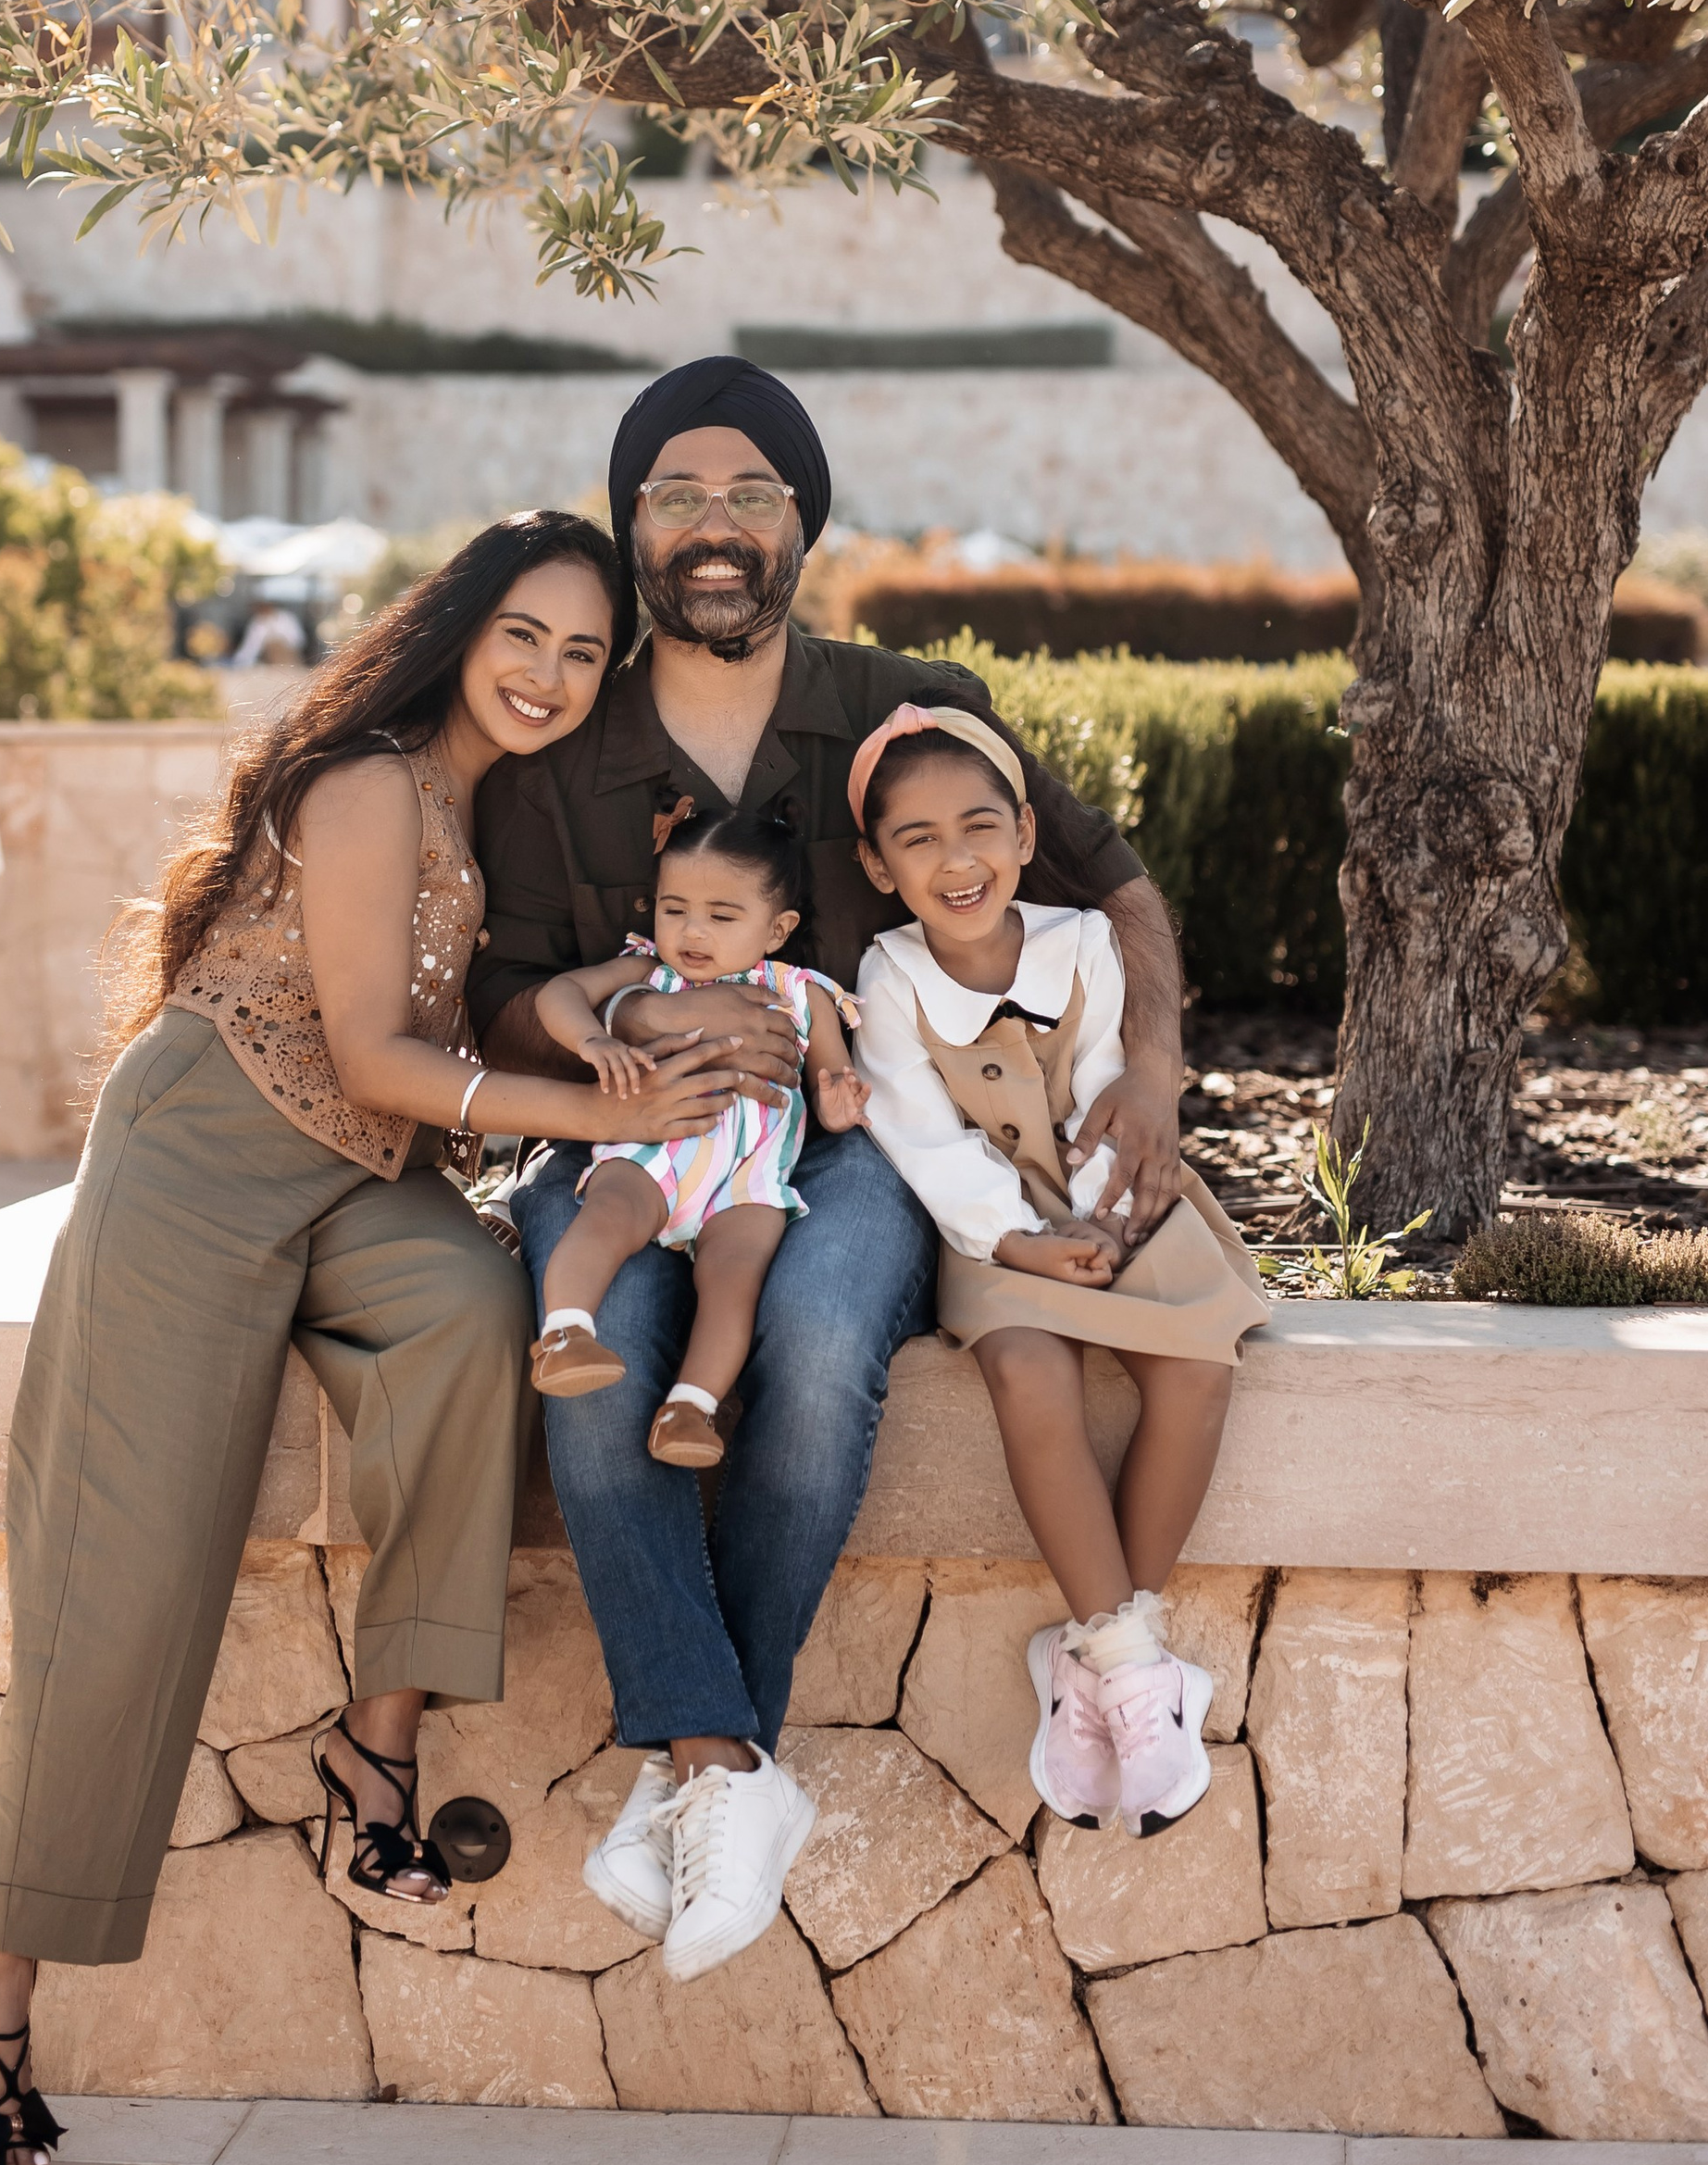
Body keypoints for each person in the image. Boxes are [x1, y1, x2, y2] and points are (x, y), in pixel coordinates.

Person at [0, 512, 732, 2165]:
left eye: (584, 654)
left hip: (355, 1188)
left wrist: (600, 1000)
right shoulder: (367, 782)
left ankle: (381, 1734)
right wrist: (599, 1106)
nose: (551, 677)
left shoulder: (479, 803)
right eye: (527, 635)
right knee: (128, 1577)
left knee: (470, 1316)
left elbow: (469, 1013)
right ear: (457, 626)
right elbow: (369, 1048)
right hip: (204, 1164)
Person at [478, 355, 1188, 1977]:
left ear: (802, 519)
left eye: (750, 492)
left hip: (856, 1141)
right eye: (677, 492)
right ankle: (727, 1768)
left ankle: (697, 1763)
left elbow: (1116, 886)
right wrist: (632, 1021)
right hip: (622, 1140)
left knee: (810, 1343)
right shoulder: (565, 749)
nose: (714, 524)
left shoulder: (903, 705)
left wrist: (1146, 1064)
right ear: (633, 523)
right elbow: (491, 1004)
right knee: (591, 1372)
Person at [850, 704, 1267, 1834]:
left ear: (1027, 835)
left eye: (980, 827)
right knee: (1028, 1369)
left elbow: (1102, 1095)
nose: (956, 859)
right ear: (876, 865)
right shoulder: (885, 980)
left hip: (1116, 1198)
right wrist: (1023, 1241)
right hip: (993, 1229)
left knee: (1196, 1364)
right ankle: (1137, 1669)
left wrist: (1099, 1226)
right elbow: (920, 1140)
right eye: (918, 839)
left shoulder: (1083, 943)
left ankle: (1094, 1661)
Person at [528, 796, 868, 1479]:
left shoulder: (803, 993)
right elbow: (556, 995)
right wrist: (595, 1036)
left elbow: (833, 1076)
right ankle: (564, 1332)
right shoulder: (648, 971)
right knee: (609, 1214)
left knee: (734, 1281)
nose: (692, 930)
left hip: (746, 1179)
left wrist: (836, 1106)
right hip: (654, 1148)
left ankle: (691, 1405)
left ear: (779, 928)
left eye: (722, 915)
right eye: (674, 906)